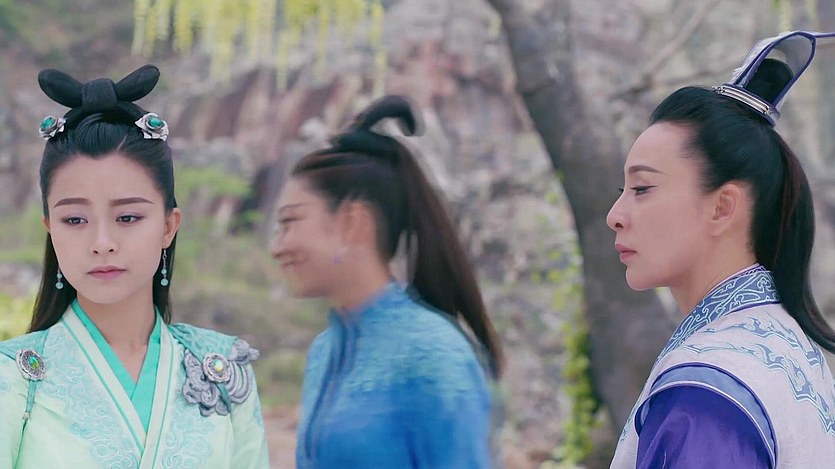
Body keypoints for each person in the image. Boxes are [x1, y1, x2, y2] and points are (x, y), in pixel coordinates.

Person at [0, 65, 269, 468]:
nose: (102, 242)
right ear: (50, 230)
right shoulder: (12, 378)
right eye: (74, 219)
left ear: (168, 226)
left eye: (128, 217)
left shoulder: (223, 370)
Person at [607, 31, 835, 468]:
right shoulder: (789, 347)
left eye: (642, 188)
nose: (614, 216)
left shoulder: (706, 390)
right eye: (623, 191)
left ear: (723, 207)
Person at [271, 95, 504, 468]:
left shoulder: (434, 355)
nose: (278, 247)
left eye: (291, 222)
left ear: (353, 223)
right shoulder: (323, 352)